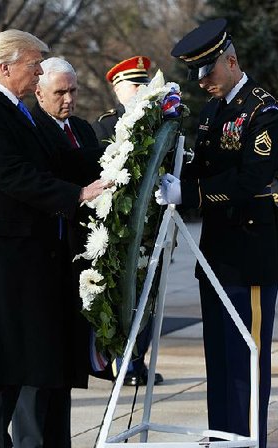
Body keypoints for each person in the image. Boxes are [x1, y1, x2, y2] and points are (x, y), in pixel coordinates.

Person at [0, 29, 110, 448]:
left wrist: (119, 163)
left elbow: (58, 159)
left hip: (18, 255)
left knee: (10, 359)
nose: (40, 73)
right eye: (34, 66)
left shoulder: (15, 111)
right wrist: (77, 195)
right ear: (6, 67)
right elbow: (15, 176)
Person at [159, 18, 278, 448]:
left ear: (231, 62)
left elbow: (251, 176)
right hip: (217, 249)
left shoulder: (265, 110)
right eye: (196, 73)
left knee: (247, 355)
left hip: (252, 248)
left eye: (208, 71)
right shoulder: (214, 111)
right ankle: (223, 447)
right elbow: (204, 165)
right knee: (219, 353)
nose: (202, 82)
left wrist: (190, 196)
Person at [11, 57, 100, 448]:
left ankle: (57, 444)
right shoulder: (30, 129)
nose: (68, 100)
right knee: (38, 352)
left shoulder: (82, 130)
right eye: (60, 92)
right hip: (44, 252)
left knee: (66, 349)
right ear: (38, 91)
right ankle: (28, 447)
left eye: (73, 91)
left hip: (77, 257)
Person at [91, 55, 164, 387]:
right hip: (118, 228)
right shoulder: (105, 127)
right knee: (123, 296)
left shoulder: (159, 124)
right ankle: (122, 362)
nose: (141, 91)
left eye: (145, 84)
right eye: (135, 85)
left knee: (149, 295)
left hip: (153, 226)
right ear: (118, 89)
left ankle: (138, 360)